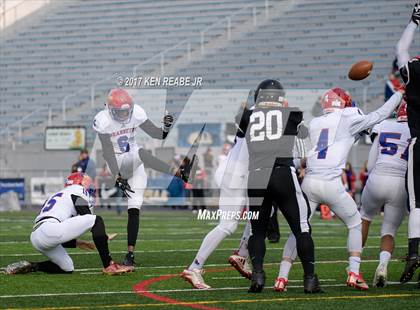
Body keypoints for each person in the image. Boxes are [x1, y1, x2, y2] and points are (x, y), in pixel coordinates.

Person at [275, 87, 403, 292]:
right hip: (332, 183)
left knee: (299, 228)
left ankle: (281, 277)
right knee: (355, 223)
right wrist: (398, 94)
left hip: (309, 182)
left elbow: (303, 156)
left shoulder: (314, 122)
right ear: (343, 102)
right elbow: (380, 114)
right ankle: (354, 273)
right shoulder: (348, 117)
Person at [238, 79, 321, 294]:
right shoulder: (292, 113)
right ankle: (310, 279)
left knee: (257, 231)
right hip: (281, 172)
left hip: (256, 176)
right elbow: (302, 134)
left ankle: (257, 276)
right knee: (301, 228)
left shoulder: (246, 116)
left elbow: (241, 128)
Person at [93, 88, 191, 268]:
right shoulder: (103, 120)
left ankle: (130, 254)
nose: (124, 115)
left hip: (136, 166)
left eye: (126, 110)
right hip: (117, 160)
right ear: (111, 109)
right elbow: (107, 151)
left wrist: (166, 128)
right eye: (120, 111)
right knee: (140, 152)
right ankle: (178, 172)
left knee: (134, 208)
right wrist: (117, 175)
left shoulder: (136, 112)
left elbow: (157, 134)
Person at [5, 172, 132, 275]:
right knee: (96, 220)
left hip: (37, 236)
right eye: (87, 184)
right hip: (50, 230)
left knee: (67, 267)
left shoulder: (60, 194)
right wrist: (101, 236)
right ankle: (109, 265)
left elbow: (59, 232)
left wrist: (78, 243)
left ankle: (32, 266)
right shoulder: (77, 190)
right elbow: (88, 217)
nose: (90, 188)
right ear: (79, 183)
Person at [181, 107, 251, 289]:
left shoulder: (258, 115)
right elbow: (242, 117)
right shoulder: (260, 116)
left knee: (257, 215)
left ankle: (241, 253)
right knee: (230, 224)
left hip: (235, 171)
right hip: (238, 174)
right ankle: (195, 267)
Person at [361, 100, 410, 287]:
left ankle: (354, 266)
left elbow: (371, 164)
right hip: (400, 183)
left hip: (378, 177)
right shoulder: (415, 129)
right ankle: (382, 265)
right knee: (389, 230)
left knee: (364, 217)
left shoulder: (383, 125)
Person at [396, 2, 420, 286]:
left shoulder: (414, 70)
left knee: (417, 204)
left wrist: (414, 21)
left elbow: (401, 49)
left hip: (419, 141)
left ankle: (414, 252)